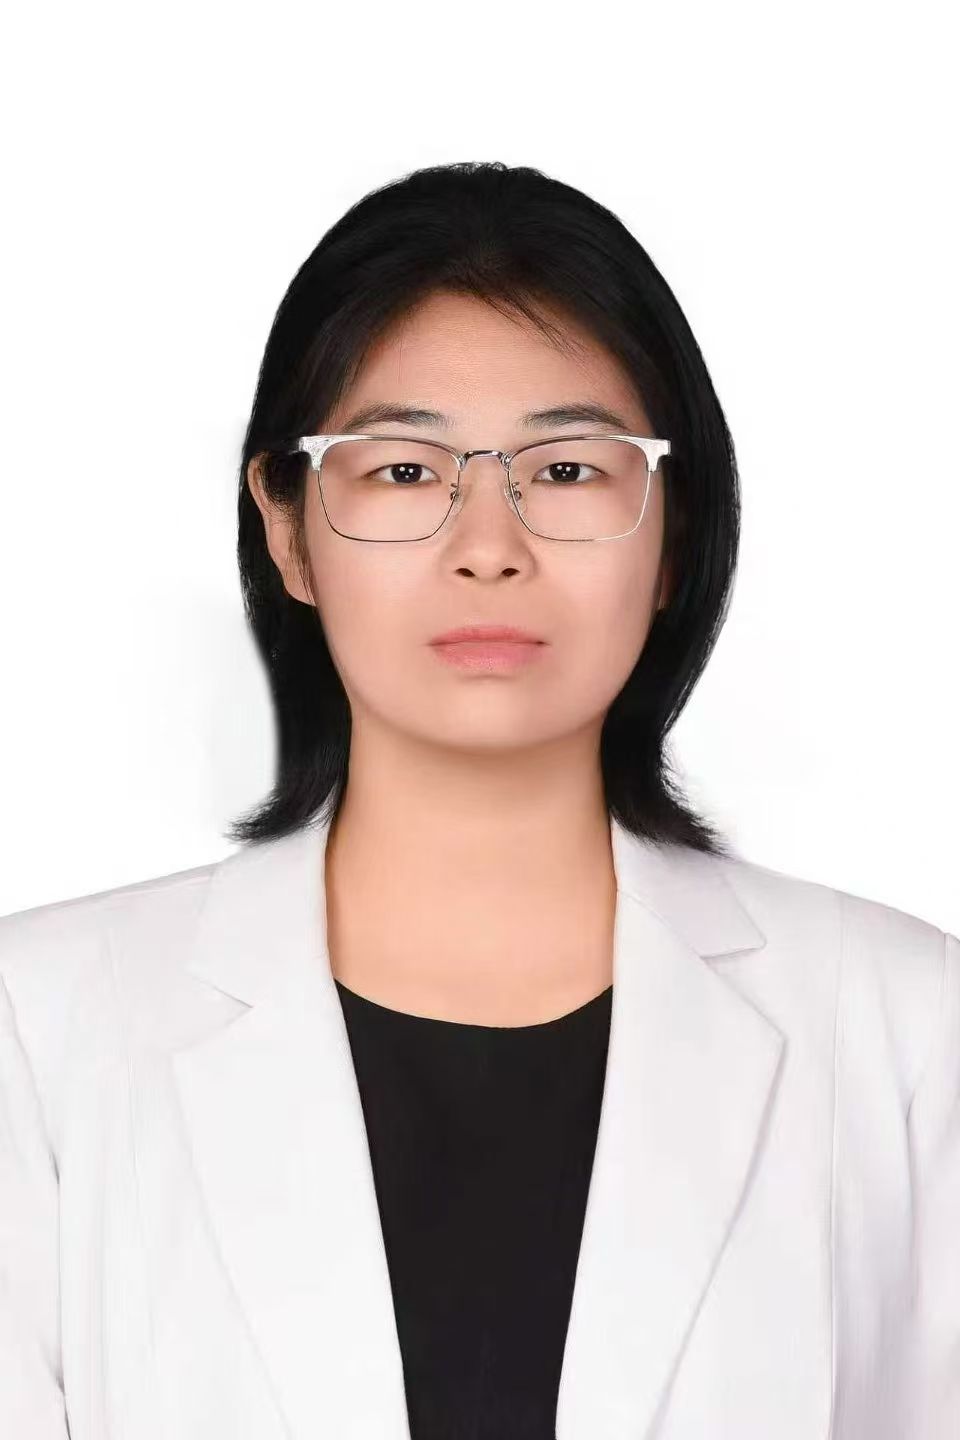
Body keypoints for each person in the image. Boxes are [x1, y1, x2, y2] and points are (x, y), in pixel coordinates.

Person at [1, 161, 956, 1440]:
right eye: (404, 471)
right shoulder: (40, 1034)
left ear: (672, 531)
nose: (489, 546)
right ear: (287, 529)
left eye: (567, 471)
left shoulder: (905, 1029)